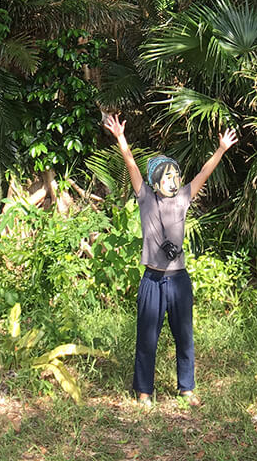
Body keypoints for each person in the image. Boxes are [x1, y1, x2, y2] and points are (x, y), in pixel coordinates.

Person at [102, 112, 238, 407]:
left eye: (175, 176)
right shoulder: (146, 198)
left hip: (179, 279)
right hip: (152, 279)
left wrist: (221, 149)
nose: (173, 180)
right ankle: (144, 392)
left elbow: (203, 173)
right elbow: (131, 165)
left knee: (184, 335)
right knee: (147, 338)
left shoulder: (183, 199)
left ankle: (186, 388)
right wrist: (121, 138)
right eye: (167, 177)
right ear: (155, 182)